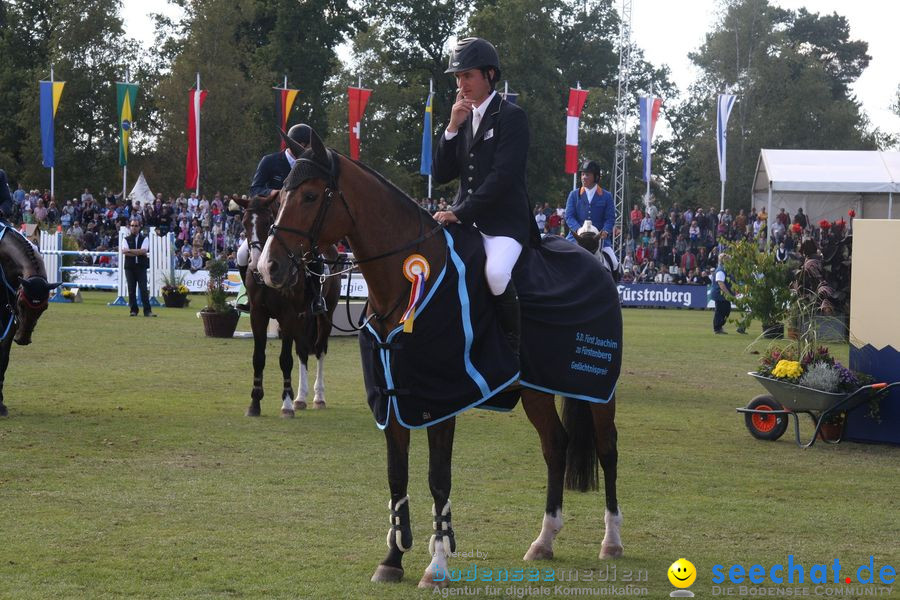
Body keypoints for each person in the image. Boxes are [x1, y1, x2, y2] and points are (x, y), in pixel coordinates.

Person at [432, 37, 538, 354]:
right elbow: (441, 175)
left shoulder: (511, 117)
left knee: (495, 273)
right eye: (457, 77)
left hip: (504, 224)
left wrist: (460, 212)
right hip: (468, 223)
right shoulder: (462, 120)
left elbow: (502, 178)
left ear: (489, 75)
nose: (461, 84)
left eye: (468, 75)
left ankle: (512, 351)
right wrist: (451, 128)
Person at [236, 123, 312, 311]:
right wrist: (275, 193)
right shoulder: (270, 161)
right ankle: (249, 295)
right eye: (305, 146)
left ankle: (316, 298)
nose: (307, 150)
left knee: (317, 259)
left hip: (298, 226)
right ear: (297, 144)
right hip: (269, 223)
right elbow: (255, 189)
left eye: (308, 147)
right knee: (242, 254)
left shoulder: (310, 167)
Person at [564, 159, 615, 246]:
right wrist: (578, 230)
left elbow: (610, 218)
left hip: (599, 238)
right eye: (582, 174)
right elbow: (569, 216)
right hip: (577, 237)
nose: (583, 177)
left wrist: (605, 231)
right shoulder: (573, 195)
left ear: (596, 177)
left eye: (587, 175)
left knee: (612, 259)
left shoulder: (607, 196)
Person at [123, 220, 155, 317]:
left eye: (136, 226)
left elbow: (144, 250)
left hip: (141, 267)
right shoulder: (125, 239)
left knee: (144, 289)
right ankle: (133, 310)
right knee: (131, 289)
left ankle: (147, 311)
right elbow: (124, 252)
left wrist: (130, 251)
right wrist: (139, 252)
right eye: (132, 225)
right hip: (130, 267)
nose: (134, 227)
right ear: (130, 227)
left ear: (139, 227)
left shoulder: (144, 238)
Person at [711, 254, 733, 334]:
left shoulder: (724, 269)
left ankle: (719, 327)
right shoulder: (720, 270)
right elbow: (721, 284)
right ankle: (717, 328)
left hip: (722, 295)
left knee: (726, 310)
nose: (730, 262)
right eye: (729, 260)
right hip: (719, 294)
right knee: (720, 311)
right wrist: (729, 294)